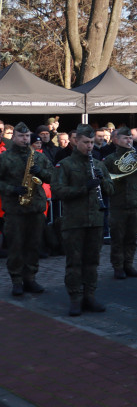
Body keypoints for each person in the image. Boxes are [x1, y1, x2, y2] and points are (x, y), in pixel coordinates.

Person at [52, 124, 112, 316]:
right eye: (85, 142)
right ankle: (75, 298)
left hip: (95, 220)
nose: (89, 146)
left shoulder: (99, 164)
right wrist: (83, 188)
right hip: (74, 221)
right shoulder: (66, 165)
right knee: (74, 262)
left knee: (92, 261)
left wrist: (103, 181)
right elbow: (58, 191)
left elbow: (111, 190)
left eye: (92, 142)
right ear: (76, 141)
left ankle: (90, 296)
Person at [0, 122, 54, 296]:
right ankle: (16, 280)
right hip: (15, 209)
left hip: (35, 207)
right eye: (21, 136)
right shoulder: (5, 157)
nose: (24, 139)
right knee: (16, 246)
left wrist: (41, 173)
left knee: (33, 245)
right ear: (14, 137)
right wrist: (12, 189)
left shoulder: (38, 156)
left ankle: (30, 278)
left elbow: (54, 175)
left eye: (26, 136)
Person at [103, 126, 137, 279]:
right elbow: (105, 177)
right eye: (125, 138)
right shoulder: (110, 159)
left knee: (132, 237)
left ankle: (128, 264)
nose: (129, 140)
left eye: (130, 137)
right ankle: (118, 267)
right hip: (118, 203)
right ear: (116, 140)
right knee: (118, 238)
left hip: (136, 201)